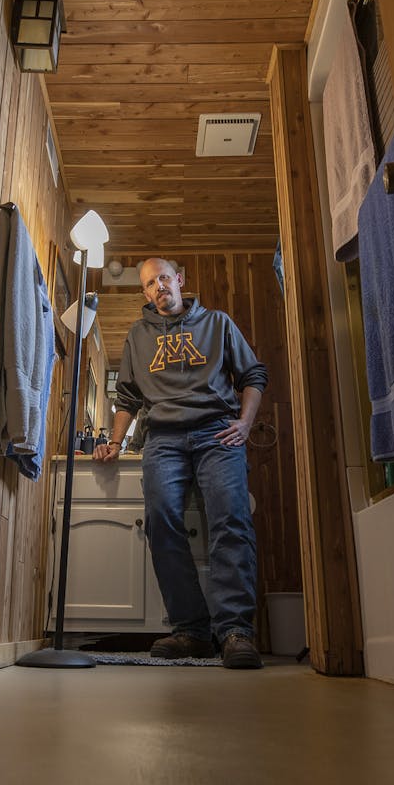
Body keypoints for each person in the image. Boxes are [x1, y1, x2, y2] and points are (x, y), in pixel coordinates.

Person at [93, 258, 267, 669]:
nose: (158, 287)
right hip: (164, 439)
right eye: (150, 284)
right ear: (145, 293)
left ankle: (236, 631)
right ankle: (191, 631)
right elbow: (129, 398)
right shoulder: (137, 335)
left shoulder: (218, 324)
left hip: (217, 431)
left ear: (180, 280)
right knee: (161, 520)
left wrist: (244, 424)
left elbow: (253, 375)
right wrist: (114, 441)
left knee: (231, 519)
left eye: (164, 278)